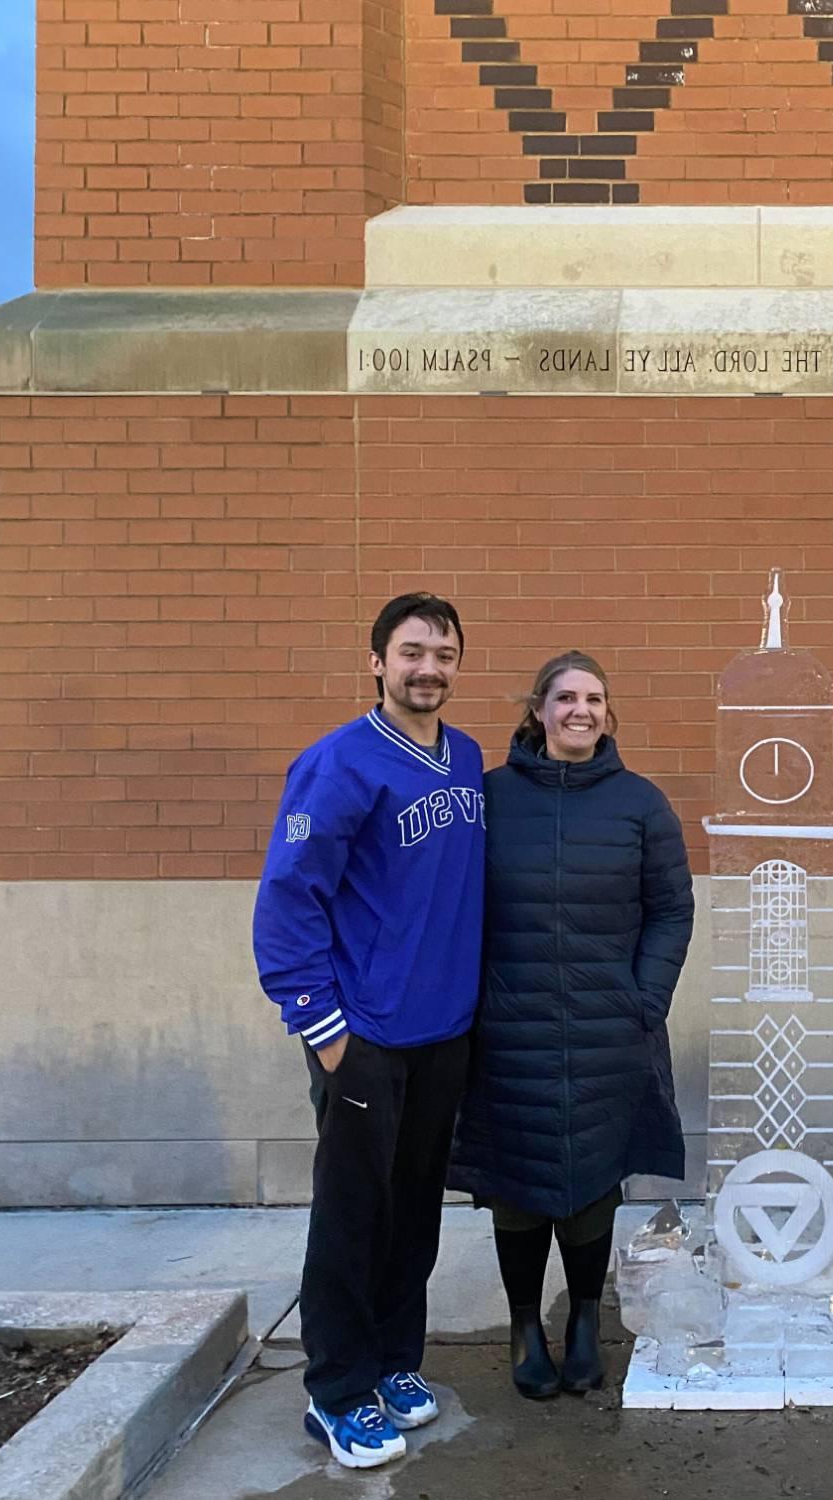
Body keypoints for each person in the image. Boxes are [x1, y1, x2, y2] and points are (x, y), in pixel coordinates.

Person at [253, 592, 485, 1469]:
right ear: (379, 662)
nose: (429, 668)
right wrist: (321, 1024)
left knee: (415, 1209)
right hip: (366, 1035)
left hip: (442, 1034)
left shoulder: (464, 757)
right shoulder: (339, 764)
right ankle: (336, 1390)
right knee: (352, 1215)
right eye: (413, 652)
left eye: (445, 653)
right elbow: (287, 902)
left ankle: (392, 1361)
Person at [450, 650, 694, 1399]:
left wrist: (642, 1001)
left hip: (606, 1031)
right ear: (539, 710)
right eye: (565, 697)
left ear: (608, 713)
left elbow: (672, 911)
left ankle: (586, 1321)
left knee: (592, 1184)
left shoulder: (641, 805)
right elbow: (453, 904)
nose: (580, 710)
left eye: (594, 697)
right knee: (516, 1188)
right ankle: (526, 1328)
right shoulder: (487, 798)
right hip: (508, 1032)